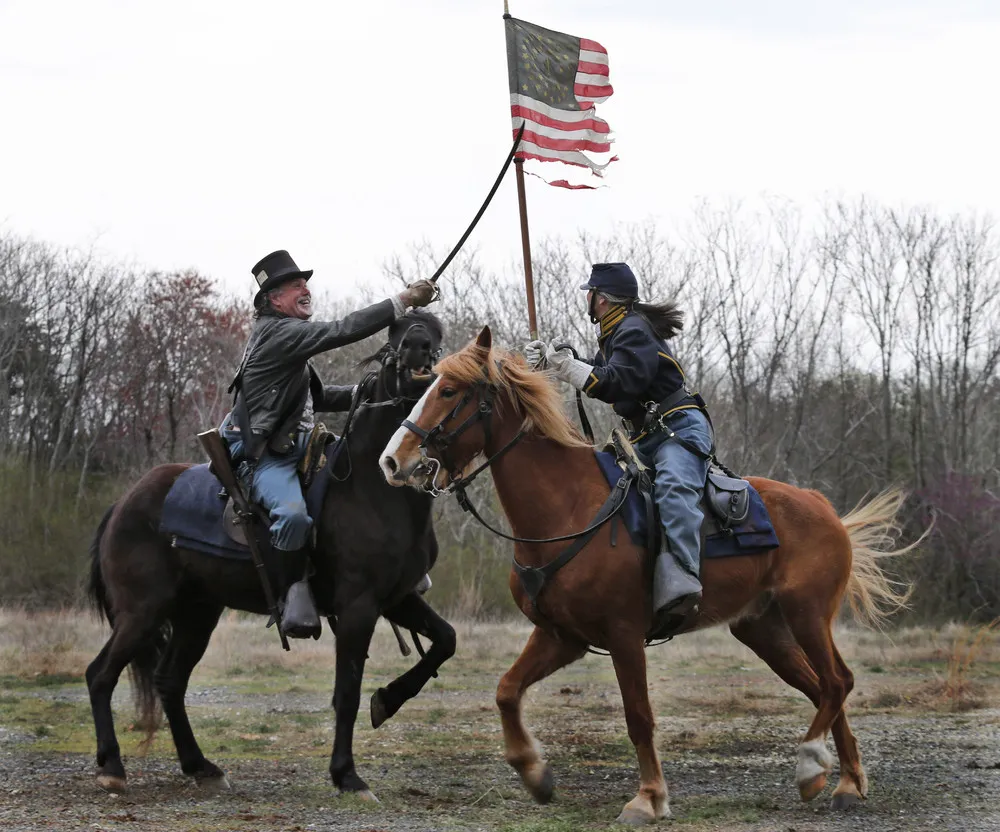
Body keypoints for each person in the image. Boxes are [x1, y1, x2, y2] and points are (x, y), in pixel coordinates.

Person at [221, 250, 438, 638]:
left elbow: (315, 400)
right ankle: (294, 593)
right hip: (266, 455)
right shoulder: (280, 334)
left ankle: (400, 564)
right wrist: (403, 301)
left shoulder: (287, 338)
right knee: (292, 518)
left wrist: (365, 391)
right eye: (294, 286)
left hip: (302, 444)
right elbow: (342, 329)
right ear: (274, 299)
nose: (305, 288)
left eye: (305, 283)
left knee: (371, 475)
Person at [525, 262, 712, 639]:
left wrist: (569, 368)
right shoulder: (618, 334)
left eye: (590, 293)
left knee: (674, 489)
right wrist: (556, 363)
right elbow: (604, 369)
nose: (588, 300)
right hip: (647, 437)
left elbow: (620, 381)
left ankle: (683, 581)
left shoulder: (633, 331)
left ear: (602, 299)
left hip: (678, 431)